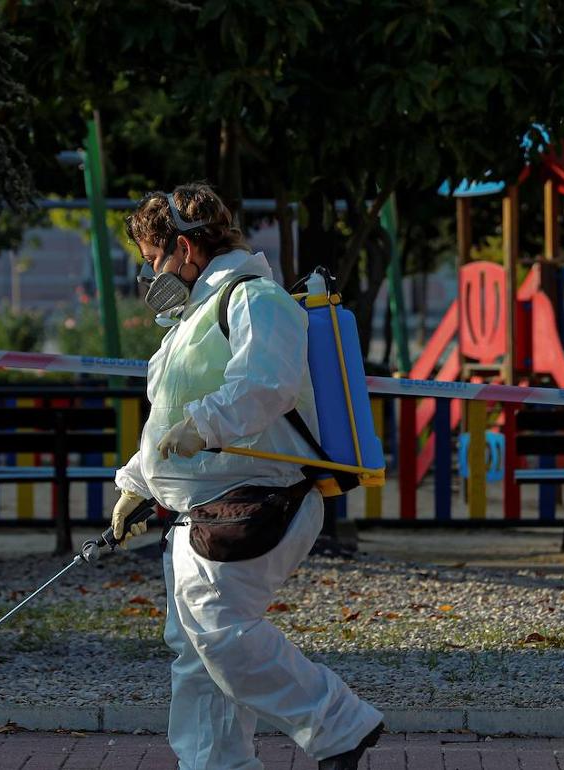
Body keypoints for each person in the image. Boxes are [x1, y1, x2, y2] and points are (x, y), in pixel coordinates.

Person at [111, 183, 383, 770]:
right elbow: (166, 420)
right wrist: (137, 483)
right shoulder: (190, 321)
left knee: (221, 634)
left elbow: (266, 383)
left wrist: (201, 426)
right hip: (204, 511)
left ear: (185, 248)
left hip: (259, 501)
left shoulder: (254, 298)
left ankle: (340, 723)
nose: (149, 270)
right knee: (197, 656)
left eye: (154, 256)